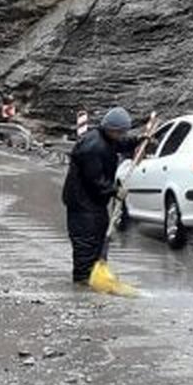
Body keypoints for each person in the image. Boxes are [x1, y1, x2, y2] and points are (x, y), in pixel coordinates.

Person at [61, 106, 139, 285]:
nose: (122, 135)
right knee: (86, 242)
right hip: (82, 203)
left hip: (93, 203)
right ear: (113, 129)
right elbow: (94, 179)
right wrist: (114, 191)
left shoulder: (106, 138)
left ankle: (95, 275)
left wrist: (137, 141)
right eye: (121, 132)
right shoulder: (93, 147)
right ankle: (82, 280)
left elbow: (120, 144)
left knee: (97, 239)